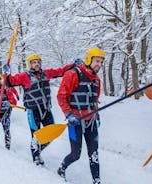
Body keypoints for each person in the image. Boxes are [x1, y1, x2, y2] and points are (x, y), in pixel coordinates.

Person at [3, 53, 74, 165]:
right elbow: (10, 82)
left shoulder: (46, 74)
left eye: (38, 62)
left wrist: (73, 65)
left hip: (46, 109)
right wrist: (6, 74)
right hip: (33, 111)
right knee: (35, 136)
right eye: (34, 62)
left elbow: (61, 71)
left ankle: (37, 149)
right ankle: (36, 157)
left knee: (51, 133)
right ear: (30, 64)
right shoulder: (24, 76)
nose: (36, 64)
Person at [56, 47, 105, 184]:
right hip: (75, 122)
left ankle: (97, 181)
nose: (99, 65)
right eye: (97, 61)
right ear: (89, 59)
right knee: (75, 154)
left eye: (101, 62)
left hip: (91, 121)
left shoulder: (97, 80)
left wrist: (97, 114)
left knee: (94, 154)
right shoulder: (72, 74)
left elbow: (94, 100)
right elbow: (61, 97)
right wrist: (69, 114)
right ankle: (62, 168)